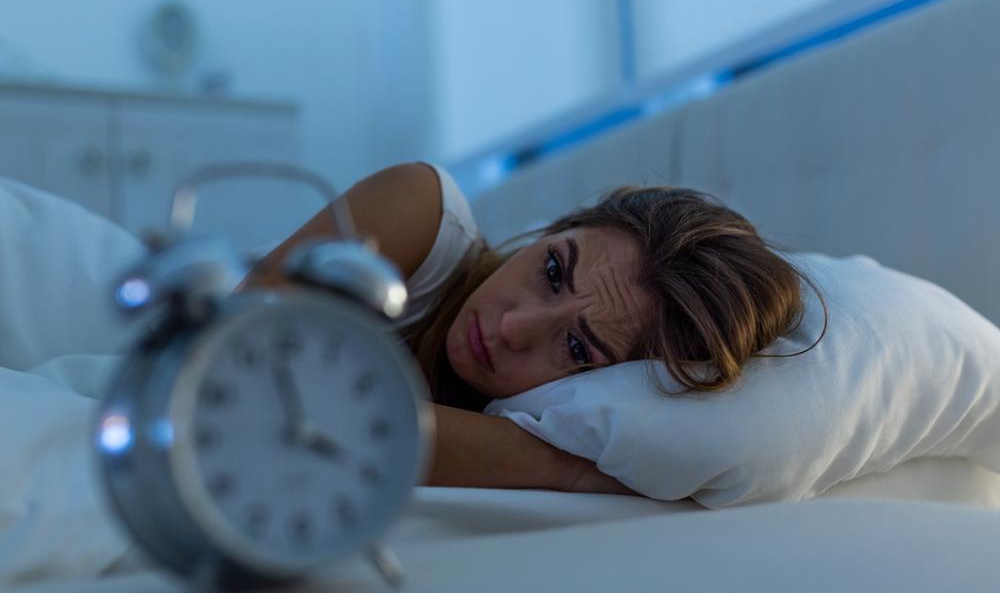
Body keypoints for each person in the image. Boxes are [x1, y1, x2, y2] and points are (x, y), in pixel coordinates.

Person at [240, 162, 820, 496]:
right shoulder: (423, 213)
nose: (513, 327)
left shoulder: (582, 422)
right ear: (556, 229)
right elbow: (232, 367)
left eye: (576, 347)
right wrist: (552, 466)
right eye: (552, 271)